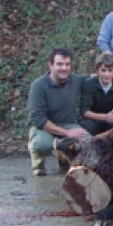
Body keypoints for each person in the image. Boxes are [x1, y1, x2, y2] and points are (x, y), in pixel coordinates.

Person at [27, 48, 89, 176]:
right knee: (41, 145)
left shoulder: (75, 80)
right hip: (45, 128)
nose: (64, 68)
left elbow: (96, 77)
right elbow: (39, 121)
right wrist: (67, 133)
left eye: (67, 64)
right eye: (60, 64)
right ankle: (38, 163)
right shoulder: (38, 86)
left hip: (69, 124)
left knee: (89, 142)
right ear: (51, 65)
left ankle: (64, 159)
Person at [79, 53, 113, 135]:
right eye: (103, 70)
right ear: (97, 71)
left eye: (110, 70)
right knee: (87, 125)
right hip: (95, 119)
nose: (107, 74)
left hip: (112, 120)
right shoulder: (89, 83)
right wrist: (105, 117)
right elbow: (84, 111)